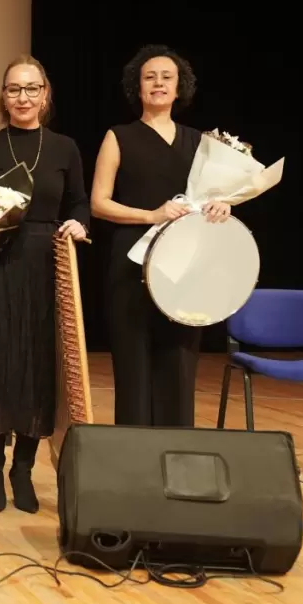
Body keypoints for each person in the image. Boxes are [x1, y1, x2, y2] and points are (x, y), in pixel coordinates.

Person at [0, 55, 90, 513]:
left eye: (31, 89)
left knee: (35, 368)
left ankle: (22, 471)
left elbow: (80, 205)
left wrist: (78, 225)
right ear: (3, 96)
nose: (23, 97)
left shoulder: (65, 148)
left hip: (44, 270)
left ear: (45, 95)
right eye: (14, 89)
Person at [90, 44, 230, 428]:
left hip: (184, 264)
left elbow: (213, 196)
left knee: (180, 364)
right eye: (150, 77)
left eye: (167, 77)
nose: (158, 83)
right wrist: (150, 215)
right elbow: (99, 203)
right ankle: (135, 465)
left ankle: (177, 455)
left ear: (179, 86)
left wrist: (223, 205)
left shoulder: (200, 142)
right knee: (133, 364)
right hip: (130, 262)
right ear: (137, 87)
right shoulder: (118, 137)